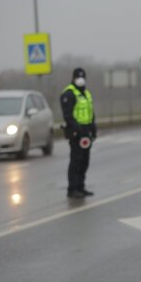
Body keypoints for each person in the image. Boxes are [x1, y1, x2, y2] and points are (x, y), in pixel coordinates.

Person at [60, 67, 97, 199]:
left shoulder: (86, 93)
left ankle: (81, 186)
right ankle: (72, 188)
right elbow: (67, 115)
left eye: (82, 77)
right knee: (76, 160)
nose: (80, 79)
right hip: (76, 133)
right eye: (78, 77)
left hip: (87, 131)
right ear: (74, 78)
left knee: (84, 161)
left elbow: (90, 112)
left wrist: (93, 128)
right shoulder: (69, 93)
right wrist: (77, 128)